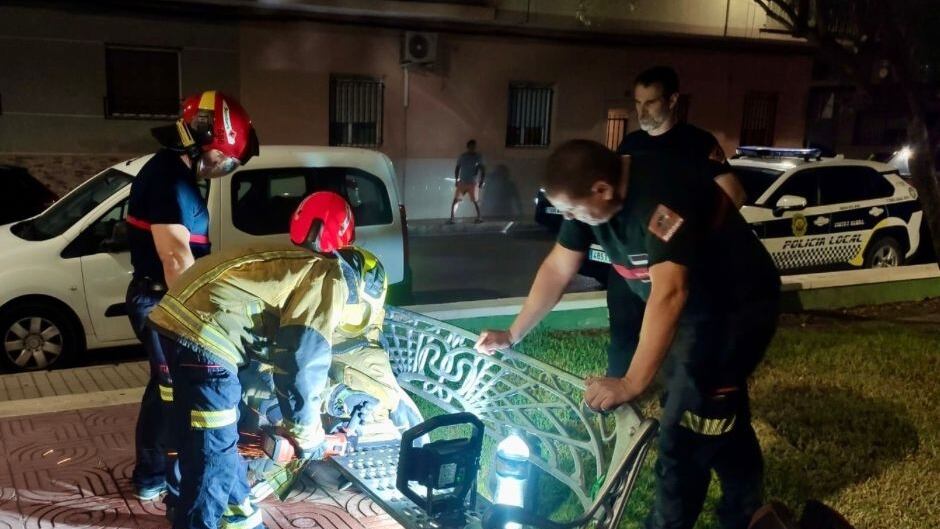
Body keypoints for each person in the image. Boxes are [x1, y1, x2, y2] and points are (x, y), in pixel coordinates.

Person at [475, 140, 781, 529]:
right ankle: (749, 507)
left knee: (685, 429)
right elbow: (558, 268)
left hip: (736, 309)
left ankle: (681, 522)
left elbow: (670, 293)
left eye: (571, 210)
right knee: (712, 410)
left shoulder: (659, 196)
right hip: (695, 311)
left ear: (602, 189)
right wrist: (512, 333)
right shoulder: (588, 197)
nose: (569, 218)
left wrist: (632, 382)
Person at [147, 192, 376, 529]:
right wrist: (308, 436)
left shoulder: (283, 258)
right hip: (206, 340)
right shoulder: (326, 274)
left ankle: (240, 519)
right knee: (214, 457)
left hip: (168, 328)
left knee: (211, 441)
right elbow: (302, 361)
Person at [126, 90, 258, 501]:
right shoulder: (169, 180)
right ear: (207, 142)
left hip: (160, 299)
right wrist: (202, 325)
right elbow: (175, 259)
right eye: (223, 158)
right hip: (164, 302)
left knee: (162, 390)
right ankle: (169, 482)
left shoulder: (174, 173)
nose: (221, 167)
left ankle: (151, 473)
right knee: (177, 394)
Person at [605, 66, 748, 378]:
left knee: (677, 333)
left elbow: (734, 195)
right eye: (638, 103)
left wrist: (697, 237)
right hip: (630, 260)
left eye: (651, 103)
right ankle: (616, 392)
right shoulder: (630, 145)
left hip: (674, 257)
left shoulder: (696, 143)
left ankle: (676, 393)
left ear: (672, 100)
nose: (642, 111)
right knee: (622, 332)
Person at [448, 139, 486, 224]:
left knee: (475, 201)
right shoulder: (463, 156)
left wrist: (482, 181)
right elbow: (457, 168)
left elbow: (482, 169)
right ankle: (452, 218)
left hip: (473, 182)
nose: (472, 148)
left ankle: (479, 217)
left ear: (475, 147)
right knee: (456, 200)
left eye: (474, 146)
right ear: (468, 147)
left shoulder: (478, 157)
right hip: (463, 182)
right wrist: (457, 179)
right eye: (471, 146)